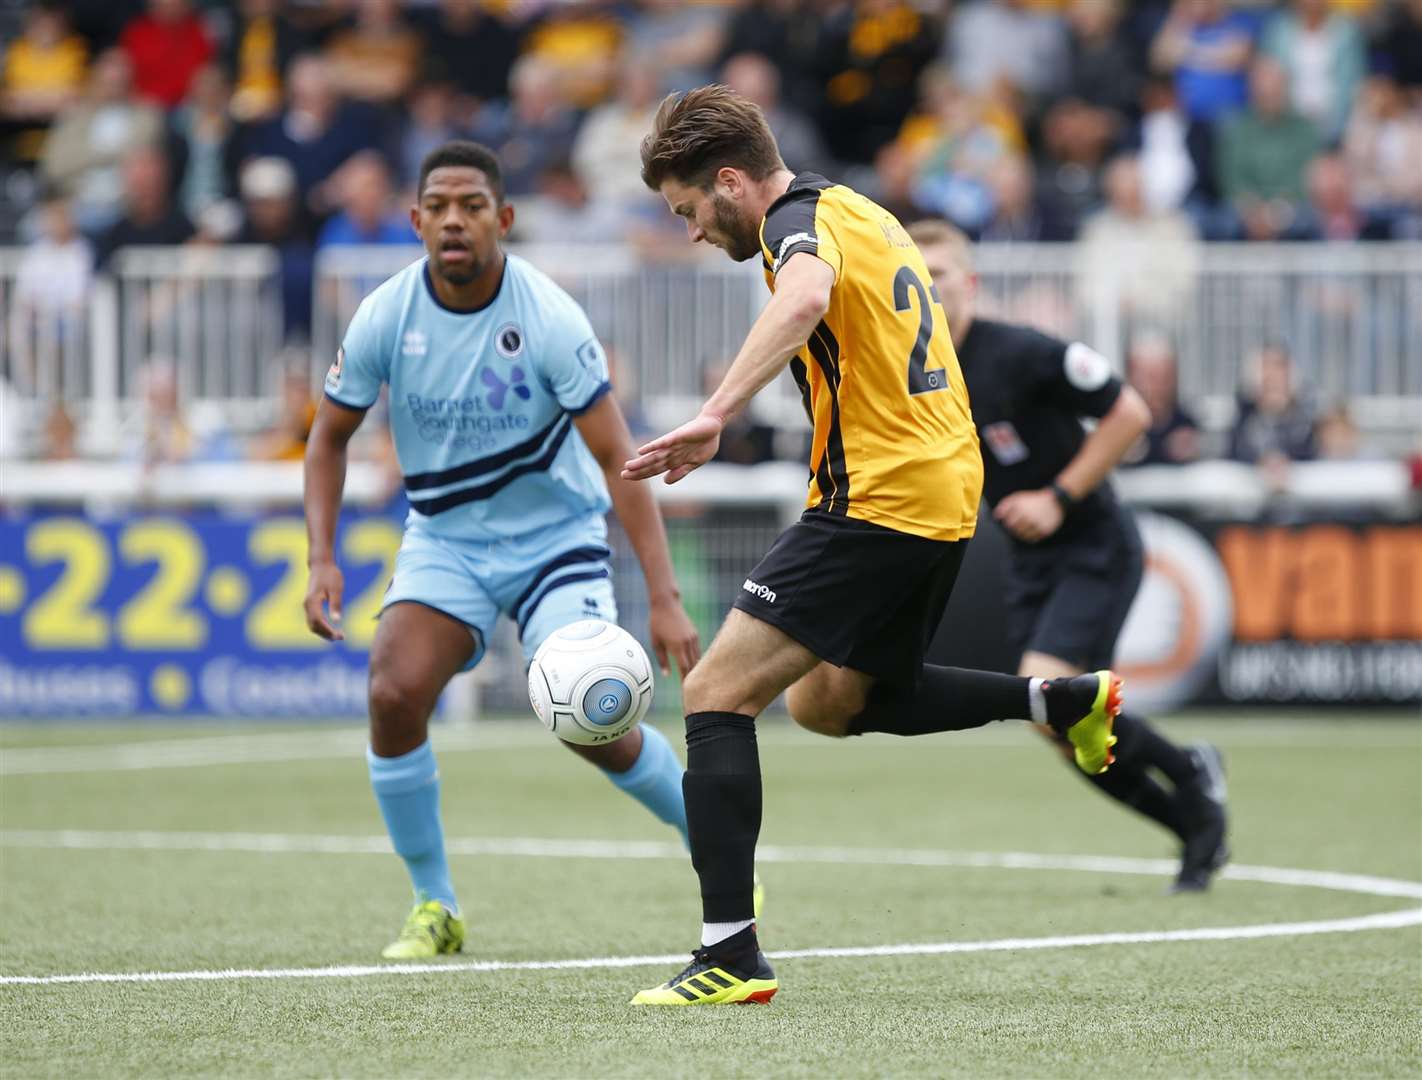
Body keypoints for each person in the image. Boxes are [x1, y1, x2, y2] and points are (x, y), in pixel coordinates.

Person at [623, 85, 1121, 1007]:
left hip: (880, 494)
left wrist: (713, 415)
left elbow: (806, 294)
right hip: (942, 486)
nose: (692, 230)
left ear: (732, 183)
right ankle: (1059, 701)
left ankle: (729, 951)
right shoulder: (859, 208)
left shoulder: (792, 229)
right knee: (835, 702)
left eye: (689, 210)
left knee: (714, 692)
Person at [303, 141, 705, 961]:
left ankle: (715, 845)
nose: (455, 220)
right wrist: (321, 557)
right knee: (391, 693)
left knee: (590, 718)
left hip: (556, 539)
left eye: (473, 205)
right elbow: (327, 440)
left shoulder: (549, 316)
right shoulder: (385, 314)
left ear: (504, 219)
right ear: (416, 222)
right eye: (440, 207)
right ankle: (434, 905)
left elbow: (617, 459)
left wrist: (663, 595)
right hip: (446, 538)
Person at [909, 218, 1228, 893]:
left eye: (940, 275)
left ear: (970, 283)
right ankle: (1192, 820)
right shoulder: (922, 371)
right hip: (1033, 562)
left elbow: (1131, 412)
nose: (930, 289)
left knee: (1046, 688)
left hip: (1095, 542)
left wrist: (1057, 494)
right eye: (918, 277)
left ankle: (1192, 771)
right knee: (1056, 725)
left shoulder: (1020, 353)